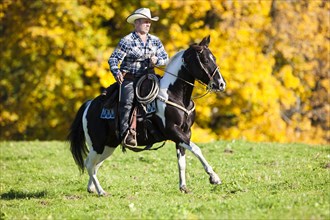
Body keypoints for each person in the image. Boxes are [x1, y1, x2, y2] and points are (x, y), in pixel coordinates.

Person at [108, 8, 168, 147]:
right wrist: (117, 72)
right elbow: (113, 59)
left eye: (149, 22)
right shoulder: (127, 41)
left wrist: (157, 61)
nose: (148, 25)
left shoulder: (155, 41)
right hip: (130, 78)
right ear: (136, 23)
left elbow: (165, 58)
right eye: (145, 22)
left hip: (149, 78)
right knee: (127, 102)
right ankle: (125, 133)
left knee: (164, 96)